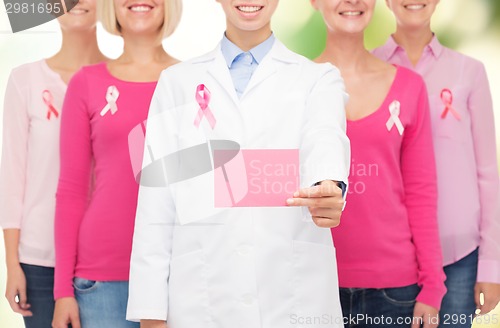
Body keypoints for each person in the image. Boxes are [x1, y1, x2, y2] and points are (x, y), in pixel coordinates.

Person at [126, 0, 350, 327]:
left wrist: (328, 183)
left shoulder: (317, 79)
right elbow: (156, 206)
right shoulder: (176, 83)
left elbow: (325, 135)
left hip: (291, 300)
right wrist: (151, 313)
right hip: (202, 301)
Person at [311, 0, 446, 327]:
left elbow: (421, 193)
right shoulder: (294, 87)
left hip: (394, 291)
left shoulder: (410, 87)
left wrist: (432, 286)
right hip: (313, 281)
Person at [51, 1, 182, 327]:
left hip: (178, 272)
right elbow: (71, 189)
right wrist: (61, 290)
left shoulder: (193, 81)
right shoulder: (87, 83)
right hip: (101, 278)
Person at [373, 0, 500, 324]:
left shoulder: (468, 71)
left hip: (459, 255)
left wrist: (491, 264)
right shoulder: (369, 66)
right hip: (392, 255)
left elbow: (487, 173)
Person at [0, 1, 106, 327]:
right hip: (39, 262)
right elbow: (12, 177)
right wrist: (12, 263)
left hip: (106, 257)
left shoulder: (121, 79)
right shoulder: (25, 80)